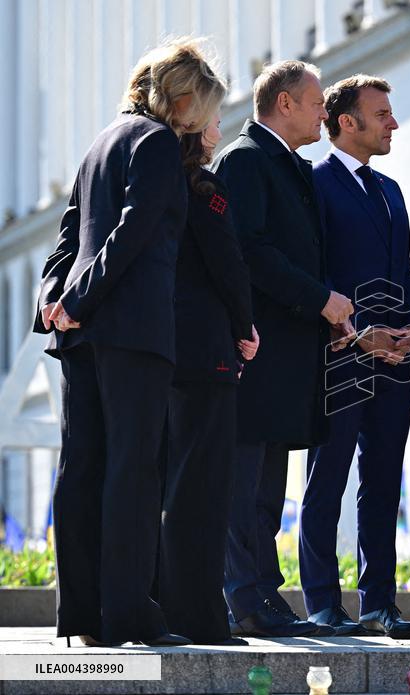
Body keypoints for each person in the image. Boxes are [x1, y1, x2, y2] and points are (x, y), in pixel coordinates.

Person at [33, 38, 226, 647]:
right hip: (134, 330)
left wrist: (55, 302)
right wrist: (79, 301)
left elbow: (69, 236)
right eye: (203, 106)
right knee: (134, 473)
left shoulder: (100, 142)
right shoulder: (157, 142)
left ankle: (81, 617)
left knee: (81, 468)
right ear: (181, 97)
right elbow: (133, 232)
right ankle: (129, 615)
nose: (204, 120)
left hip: (81, 335)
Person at [212, 60, 353, 638]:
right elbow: (249, 251)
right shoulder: (246, 160)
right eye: (317, 103)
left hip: (286, 355)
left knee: (267, 491)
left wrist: (326, 312)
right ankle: (244, 601)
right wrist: (321, 300)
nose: (325, 114)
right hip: (256, 352)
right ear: (285, 104)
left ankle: (265, 596)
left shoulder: (287, 163)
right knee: (244, 486)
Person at [300, 74, 410, 638]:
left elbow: (407, 273)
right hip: (338, 357)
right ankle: (323, 603)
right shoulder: (313, 183)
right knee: (326, 479)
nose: (393, 122)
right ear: (346, 122)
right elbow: (315, 273)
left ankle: (379, 604)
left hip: (395, 362)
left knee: (383, 481)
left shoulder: (392, 190)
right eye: (382, 114)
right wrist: (357, 334)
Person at [156, 111, 258, 645]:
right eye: (214, 117)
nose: (221, 127)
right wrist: (245, 325)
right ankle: (200, 616)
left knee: (169, 485)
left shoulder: (153, 179)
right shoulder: (204, 186)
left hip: (160, 349)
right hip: (207, 351)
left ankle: (165, 607)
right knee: (206, 488)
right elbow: (227, 262)